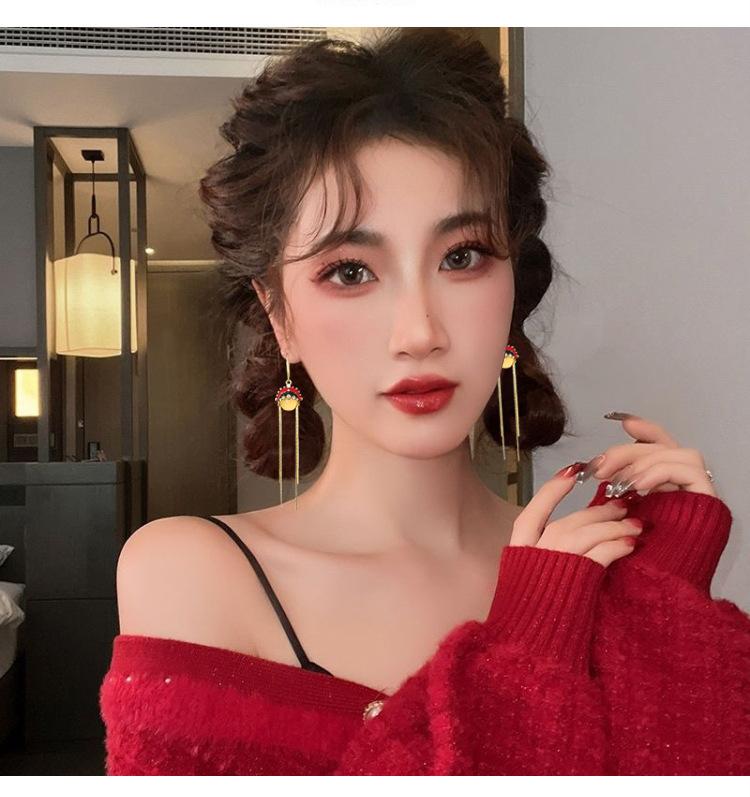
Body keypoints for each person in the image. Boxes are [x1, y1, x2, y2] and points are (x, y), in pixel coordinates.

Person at [99, 28, 750, 775]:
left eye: (462, 256)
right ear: (280, 316)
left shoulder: (594, 566)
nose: (420, 332)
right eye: (350, 271)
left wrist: (662, 606)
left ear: (512, 285)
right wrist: (525, 649)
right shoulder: (191, 572)